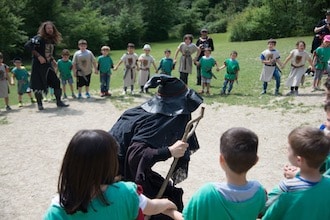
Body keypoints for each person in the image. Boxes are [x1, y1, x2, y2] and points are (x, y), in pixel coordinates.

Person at [110, 74, 203, 220]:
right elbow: (135, 154)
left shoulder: (151, 114)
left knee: (169, 195)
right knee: (163, 210)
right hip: (115, 176)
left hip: (127, 169)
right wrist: (168, 151)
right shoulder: (153, 121)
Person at [43, 129, 183, 220]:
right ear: (110, 164)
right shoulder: (127, 193)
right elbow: (152, 207)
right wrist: (168, 204)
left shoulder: (58, 210)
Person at [182, 127, 266, 220]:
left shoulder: (207, 193)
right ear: (255, 161)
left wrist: (170, 211)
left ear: (221, 159)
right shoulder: (259, 192)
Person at [262, 126, 330, 220]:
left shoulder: (287, 188)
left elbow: (267, 214)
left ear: (299, 160)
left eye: (288, 149)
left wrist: (261, 196)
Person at [24, 21, 68, 110]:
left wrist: (52, 59)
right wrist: (39, 56)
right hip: (38, 65)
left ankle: (59, 101)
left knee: (56, 81)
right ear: (44, 29)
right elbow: (28, 46)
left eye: (51, 28)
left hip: (48, 65)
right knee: (38, 84)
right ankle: (39, 104)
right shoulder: (38, 38)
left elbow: (49, 52)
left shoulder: (52, 40)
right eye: (48, 28)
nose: (50, 30)